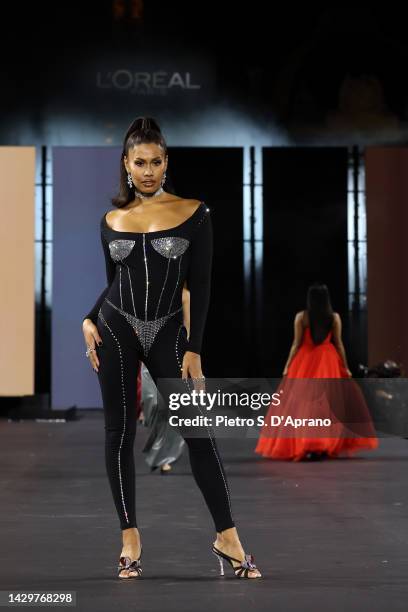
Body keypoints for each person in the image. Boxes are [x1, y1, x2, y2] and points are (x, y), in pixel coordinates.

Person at [82, 116, 261, 579]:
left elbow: (200, 286)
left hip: (169, 332)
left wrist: (195, 347)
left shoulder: (195, 213)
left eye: (155, 161)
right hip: (116, 328)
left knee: (199, 434)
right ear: (125, 163)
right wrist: (88, 317)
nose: (146, 170)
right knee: (118, 434)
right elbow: (115, 285)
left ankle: (228, 536)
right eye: (138, 162)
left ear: (167, 163)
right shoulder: (110, 221)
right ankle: (130, 538)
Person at [255, 283, 378, 461]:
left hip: (305, 361)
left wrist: (287, 365)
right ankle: (324, 443)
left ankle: (306, 442)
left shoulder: (301, 317)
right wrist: (346, 367)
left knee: (302, 404)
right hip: (328, 361)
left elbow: (296, 344)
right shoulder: (334, 318)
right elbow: (339, 344)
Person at [139, 284, 191, 474]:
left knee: (169, 407)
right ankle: (156, 452)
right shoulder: (149, 290)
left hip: (172, 354)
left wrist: (186, 356)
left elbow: (188, 328)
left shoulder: (184, 295)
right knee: (152, 403)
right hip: (148, 353)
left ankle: (164, 458)